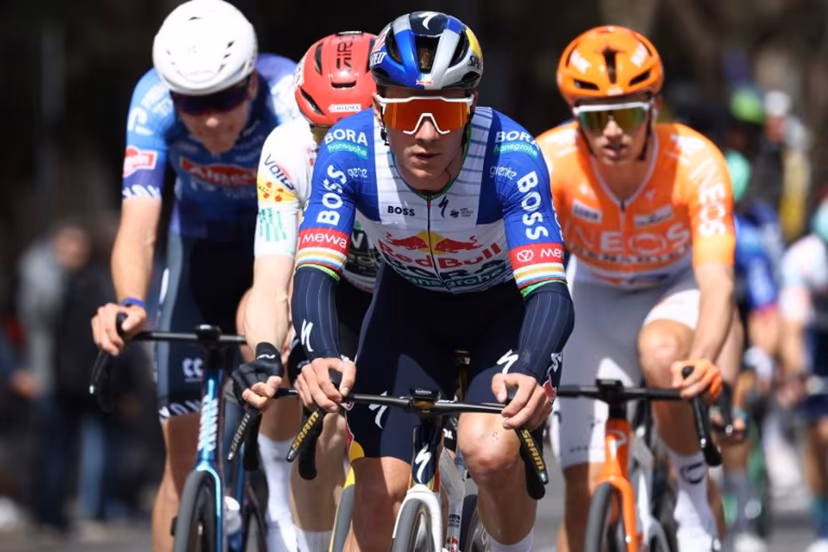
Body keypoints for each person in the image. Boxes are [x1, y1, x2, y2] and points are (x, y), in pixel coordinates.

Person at [243, 11, 575, 552]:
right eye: (405, 110)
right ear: (378, 109)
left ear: (468, 108)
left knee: (488, 453)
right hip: (409, 309)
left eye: (444, 112)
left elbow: (549, 292)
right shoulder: (347, 150)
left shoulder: (512, 155)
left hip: (502, 313)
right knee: (377, 496)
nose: (425, 133)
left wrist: (534, 369)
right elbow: (312, 271)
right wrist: (321, 352)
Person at [89, 1, 299, 550]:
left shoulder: (287, 96)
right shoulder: (152, 100)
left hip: (273, 253)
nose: (208, 119)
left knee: (278, 412)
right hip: (196, 254)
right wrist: (131, 302)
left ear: (251, 83)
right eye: (192, 104)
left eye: (224, 99)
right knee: (181, 462)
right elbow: (138, 227)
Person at [536, 26, 733, 552]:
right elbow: (524, 271)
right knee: (581, 491)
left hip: (675, 285)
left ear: (655, 108)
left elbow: (716, 278)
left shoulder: (695, 161)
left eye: (627, 114)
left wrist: (707, 357)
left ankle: (692, 499)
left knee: (663, 354)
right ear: (575, 116)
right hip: (594, 293)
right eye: (596, 118)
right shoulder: (549, 159)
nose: (613, 132)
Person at [232, 31, 379, 552]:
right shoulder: (285, 150)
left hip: (410, 290)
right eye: (323, 130)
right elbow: (273, 275)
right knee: (322, 423)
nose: (337, 146)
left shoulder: (416, 149)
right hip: (336, 289)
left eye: (354, 129)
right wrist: (269, 353)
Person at [778, 197, 828, 552]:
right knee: (820, 435)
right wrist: (795, 371)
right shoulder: (803, 258)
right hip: (816, 342)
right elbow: (792, 325)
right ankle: (823, 523)